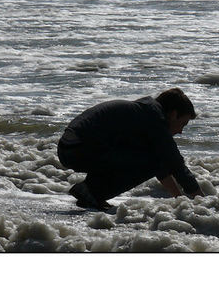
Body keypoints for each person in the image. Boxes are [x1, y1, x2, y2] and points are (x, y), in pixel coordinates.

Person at [57, 88, 205, 210]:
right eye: (183, 124)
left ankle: (90, 193)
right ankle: (91, 192)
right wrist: (202, 203)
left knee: (151, 158)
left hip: (72, 147)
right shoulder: (154, 119)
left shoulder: (145, 112)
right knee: (153, 159)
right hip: (78, 148)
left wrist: (180, 201)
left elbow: (163, 168)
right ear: (173, 114)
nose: (181, 131)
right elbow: (174, 163)